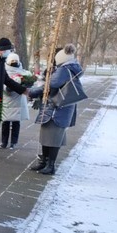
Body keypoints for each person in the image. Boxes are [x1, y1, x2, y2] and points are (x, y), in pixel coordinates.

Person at [27, 44, 83, 175]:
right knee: (47, 136)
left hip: (56, 109)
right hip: (59, 107)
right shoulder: (70, 68)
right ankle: (45, 161)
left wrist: (33, 92)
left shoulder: (63, 70)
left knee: (53, 138)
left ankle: (50, 165)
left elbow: (51, 85)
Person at [0, 53, 31, 148]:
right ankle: (8, 142)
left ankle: (9, 142)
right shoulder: (5, 71)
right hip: (10, 99)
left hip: (13, 99)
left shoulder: (22, 73)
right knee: (9, 122)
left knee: (12, 122)